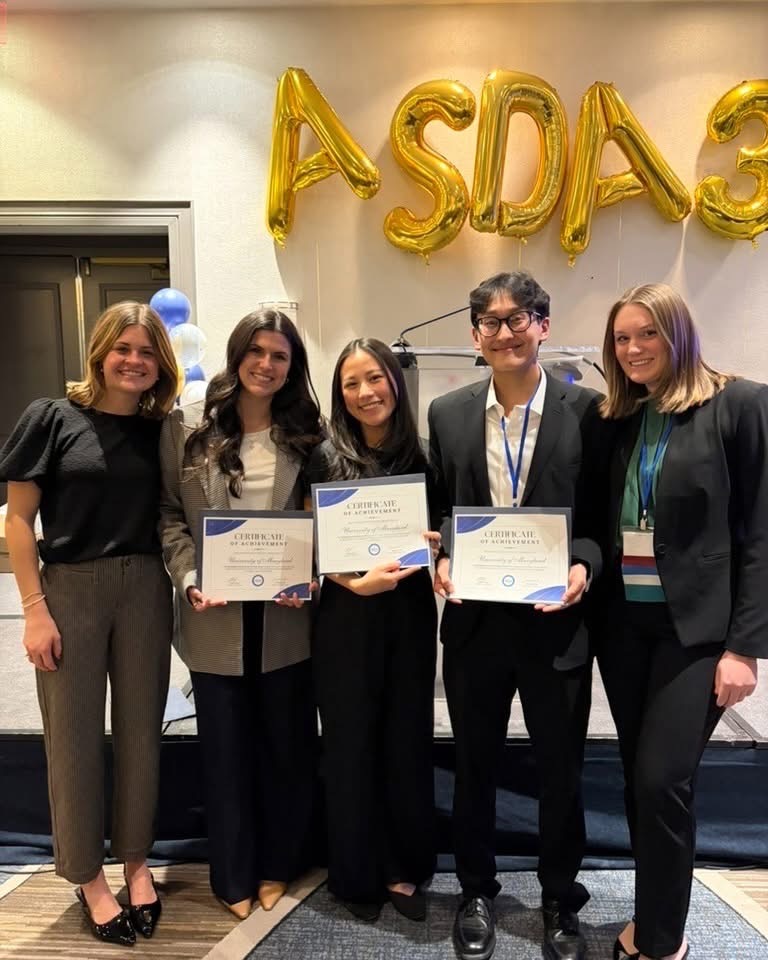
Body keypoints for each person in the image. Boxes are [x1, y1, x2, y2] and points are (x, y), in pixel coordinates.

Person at [428, 271, 603, 960]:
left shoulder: (590, 411)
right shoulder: (446, 413)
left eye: (518, 318)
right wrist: (443, 557)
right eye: (490, 322)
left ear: (543, 325)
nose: (504, 332)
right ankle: (476, 890)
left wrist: (583, 566)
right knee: (474, 765)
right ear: (475, 335)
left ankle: (561, 898)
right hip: (476, 624)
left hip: (557, 622)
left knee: (562, 771)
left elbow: (597, 521)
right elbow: (443, 510)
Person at [593, 283, 766, 960]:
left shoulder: (739, 404)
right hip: (624, 630)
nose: (633, 349)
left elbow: (761, 533)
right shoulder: (620, 416)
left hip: (696, 633)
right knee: (642, 780)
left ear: (679, 334)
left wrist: (745, 648)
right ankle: (651, 916)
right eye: (622, 338)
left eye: (648, 334)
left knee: (663, 778)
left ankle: (663, 942)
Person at [0, 302, 179, 946]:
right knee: (72, 736)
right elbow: (17, 521)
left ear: (162, 363)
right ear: (100, 352)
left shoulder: (162, 430)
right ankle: (87, 877)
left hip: (146, 588)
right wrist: (34, 610)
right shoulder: (51, 418)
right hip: (69, 589)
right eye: (123, 348)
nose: (134, 360)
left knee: (141, 732)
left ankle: (135, 862)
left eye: (147, 351)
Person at [158, 307, 323, 920]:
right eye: (256, 351)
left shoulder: (310, 434)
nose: (266, 364)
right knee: (224, 754)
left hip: (287, 618)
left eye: (280, 355)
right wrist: (189, 576)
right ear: (237, 354)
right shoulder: (187, 427)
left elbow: (324, 519)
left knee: (285, 749)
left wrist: (313, 573)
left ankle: (278, 865)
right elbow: (168, 515)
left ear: (292, 366)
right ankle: (233, 877)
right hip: (214, 615)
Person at [305, 338, 438, 923]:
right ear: (341, 395)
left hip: (408, 617)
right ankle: (355, 869)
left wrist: (437, 543)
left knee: (405, 739)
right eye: (351, 383)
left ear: (395, 382)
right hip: (345, 616)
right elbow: (310, 545)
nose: (365, 392)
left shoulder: (424, 457)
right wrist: (354, 583)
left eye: (375, 378)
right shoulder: (322, 457)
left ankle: (403, 867)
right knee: (350, 743)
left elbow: (444, 530)